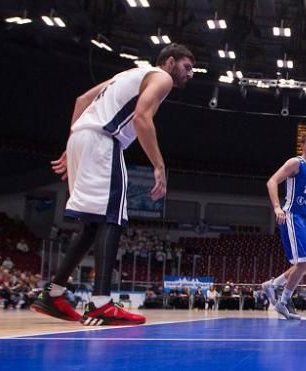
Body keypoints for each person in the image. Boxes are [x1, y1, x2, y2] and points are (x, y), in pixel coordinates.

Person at [32, 43, 194, 326]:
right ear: (169, 62)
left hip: (82, 137)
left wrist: (72, 144)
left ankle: (53, 294)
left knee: (93, 224)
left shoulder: (128, 74)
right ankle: (100, 304)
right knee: (112, 218)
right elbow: (143, 117)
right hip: (103, 141)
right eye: (187, 67)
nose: (191, 74)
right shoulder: (162, 77)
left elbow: (81, 101)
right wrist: (159, 165)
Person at [262, 132, 306, 320]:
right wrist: (277, 207)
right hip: (292, 215)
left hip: (305, 219)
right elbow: (271, 181)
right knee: (303, 262)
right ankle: (283, 301)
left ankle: (273, 285)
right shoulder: (295, 163)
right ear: (303, 145)